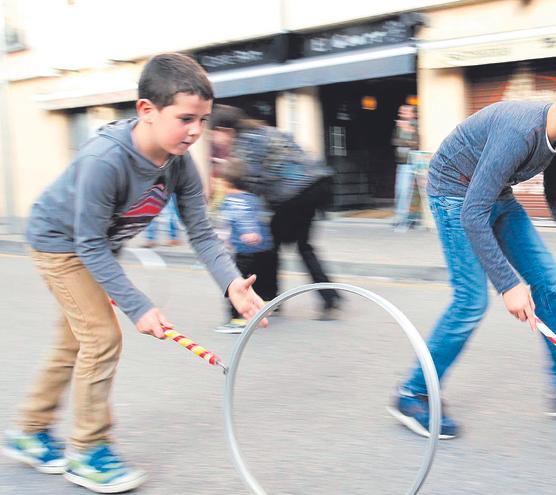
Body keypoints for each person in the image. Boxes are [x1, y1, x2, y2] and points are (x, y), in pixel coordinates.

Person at [2, 53, 267, 493]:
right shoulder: (106, 159)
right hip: (60, 244)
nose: (196, 130)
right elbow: (86, 243)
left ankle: (29, 430)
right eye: (185, 118)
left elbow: (201, 231)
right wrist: (138, 306)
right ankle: (88, 450)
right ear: (147, 110)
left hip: (95, 247)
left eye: (203, 119)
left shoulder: (179, 160)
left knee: (75, 340)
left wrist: (232, 283)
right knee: (101, 338)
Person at [388, 57, 556, 440]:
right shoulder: (519, 131)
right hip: (454, 196)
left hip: (492, 195)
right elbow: (473, 214)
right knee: (471, 301)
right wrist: (507, 283)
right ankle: (412, 394)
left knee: (548, 280)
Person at [209, 105, 343, 320]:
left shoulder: (245, 143)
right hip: (317, 184)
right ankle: (330, 298)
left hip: (295, 192)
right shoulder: (263, 131)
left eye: (214, 132)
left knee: (269, 245)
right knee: (302, 246)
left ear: (225, 129)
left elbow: (249, 186)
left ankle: (270, 298)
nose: (214, 139)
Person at [215, 158, 277, 334]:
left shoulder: (230, 201)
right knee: (261, 281)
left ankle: (237, 318)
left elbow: (232, 223)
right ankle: (264, 305)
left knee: (235, 285)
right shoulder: (253, 199)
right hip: (265, 249)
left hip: (243, 250)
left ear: (226, 183)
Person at [392, 104, 420, 231]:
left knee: (411, 194)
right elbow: (395, 141)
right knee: (401, 191)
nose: (402, 113)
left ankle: (409, 219)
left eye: (405, 111)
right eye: (401, 111)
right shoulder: (399, 127)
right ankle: (401, 218)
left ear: (412, 114)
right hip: (402, 163)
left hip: (413, 163)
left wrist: (408, 130)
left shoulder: (415, 126)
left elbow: (416, 143)